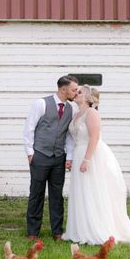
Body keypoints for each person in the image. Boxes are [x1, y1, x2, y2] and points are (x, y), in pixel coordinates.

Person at [62, 85, 130, 247]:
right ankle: (80, 229)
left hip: (91, 156)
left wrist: (86, 160)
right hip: (79, 153)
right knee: (81, 192)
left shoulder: (92, 113)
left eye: (79, 92)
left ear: (87, 98)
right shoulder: (76, 114)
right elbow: (73, 139)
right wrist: (72, 157)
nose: (76, 94)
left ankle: (96, 228)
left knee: (93, 191)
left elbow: (94, 137)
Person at [23, 75, 79, 241]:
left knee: (57, 195)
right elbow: (29, 128)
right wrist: (30, 153)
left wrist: (69, 157)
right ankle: (33, 232)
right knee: (36, 193)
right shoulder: (41, 103)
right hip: (40, 155)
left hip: (58, 158)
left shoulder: (71, 109)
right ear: (63, 89)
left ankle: (57, 232)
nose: (76, 93)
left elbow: (69, 136)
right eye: (73, 89)